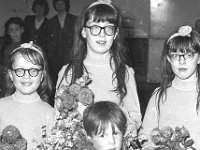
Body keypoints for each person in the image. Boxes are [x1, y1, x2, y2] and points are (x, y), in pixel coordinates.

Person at [55, 0, 141, 136]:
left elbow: (134, 116)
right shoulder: (69, 71)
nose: (102, 34)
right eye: (95, 27)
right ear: (84, 32)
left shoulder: (125, 72)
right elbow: (59, 116)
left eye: (109, 28)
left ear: (116, 33)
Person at [139, 25, 200, 149]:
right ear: (168, 59)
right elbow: (144, 137)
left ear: (199, 58)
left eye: (188, 55)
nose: (181, 61)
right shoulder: (159, 95)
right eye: (175, 55)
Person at [0, 41, 55, 150]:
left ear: (42, 75)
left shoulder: (49, 113)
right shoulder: (1, 106)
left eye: (33, 70)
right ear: (11, 74)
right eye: (20, 70)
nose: (26, 76)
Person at [47, 0, 77, 90]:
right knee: (56, 83)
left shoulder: (74, 20)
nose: (59, 6)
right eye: (57, 4)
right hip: (55, 59)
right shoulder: (51, 22)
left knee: (71, 82)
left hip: (71, 57)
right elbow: (48, 41)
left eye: (62, 4)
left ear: (66, 5)